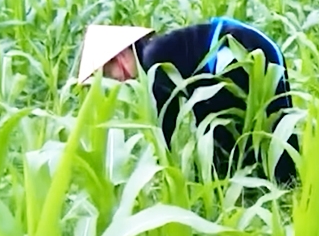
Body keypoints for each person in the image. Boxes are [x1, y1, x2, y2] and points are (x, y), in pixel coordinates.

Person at [75, 17, 299, 188]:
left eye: (109, 72)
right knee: (265, 126)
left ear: (121, 57)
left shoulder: (153, 62)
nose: (114, 79)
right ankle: (282, 185)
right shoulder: (155, 52)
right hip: (246, 47)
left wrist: (163, 168)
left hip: (236, 52)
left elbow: (167, 119)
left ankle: (275, 185)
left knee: (227, 132)